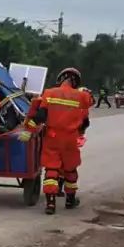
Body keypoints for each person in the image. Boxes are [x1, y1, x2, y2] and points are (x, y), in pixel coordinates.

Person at [22, 67, 92, 214]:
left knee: (51, 169)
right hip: (70, 139)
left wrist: (29, 130)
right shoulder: (82, 97)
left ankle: (50, 204)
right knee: (70, 170)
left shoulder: (49, 93)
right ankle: (70, 200)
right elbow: (85, 122)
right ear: (76, 82)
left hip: (52, 137)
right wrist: (79, 131)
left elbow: (40, 116)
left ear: (61, 79)